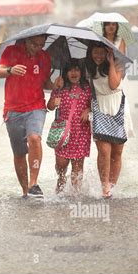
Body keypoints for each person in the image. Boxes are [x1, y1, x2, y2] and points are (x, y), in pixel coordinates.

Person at [0, 34, 59, 199]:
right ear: (26, 41)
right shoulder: (12, 51)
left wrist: (55, 86)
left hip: (36, 106)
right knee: (19, 152)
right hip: (13, 109)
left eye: (41, 45)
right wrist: (11, 70)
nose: (37, 48)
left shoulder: (44, 57)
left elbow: (44, 82)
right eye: (34, 45)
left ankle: (34, 183)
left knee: (35, 138)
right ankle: (25, 191)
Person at [86, 42, 134, 199]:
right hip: (99, 106)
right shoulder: (88, 68)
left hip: (118, 105)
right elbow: (86, 91)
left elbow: (114, 85)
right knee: (104, 151)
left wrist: (112, 61)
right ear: (90, 53)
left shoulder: (118, 64)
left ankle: (112, 186)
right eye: (95, 52)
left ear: (108, 53)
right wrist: (86, 108)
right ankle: (104, 186)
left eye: (102, 53)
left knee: (117, 152)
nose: (98, 56)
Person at [47, 59, 91, 195]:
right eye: (70, 70)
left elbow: (93, 104)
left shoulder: (86, 87)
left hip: (81, 132)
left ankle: (75, 195)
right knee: (61, 164)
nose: (74, 73)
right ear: (65, 73)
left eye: (77, 69)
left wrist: (88, 110)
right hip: (63, 132)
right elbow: (49, 106)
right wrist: (54, 97)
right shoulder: (60, 88)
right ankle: (60, 180)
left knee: (77, 168)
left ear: (81, 72)